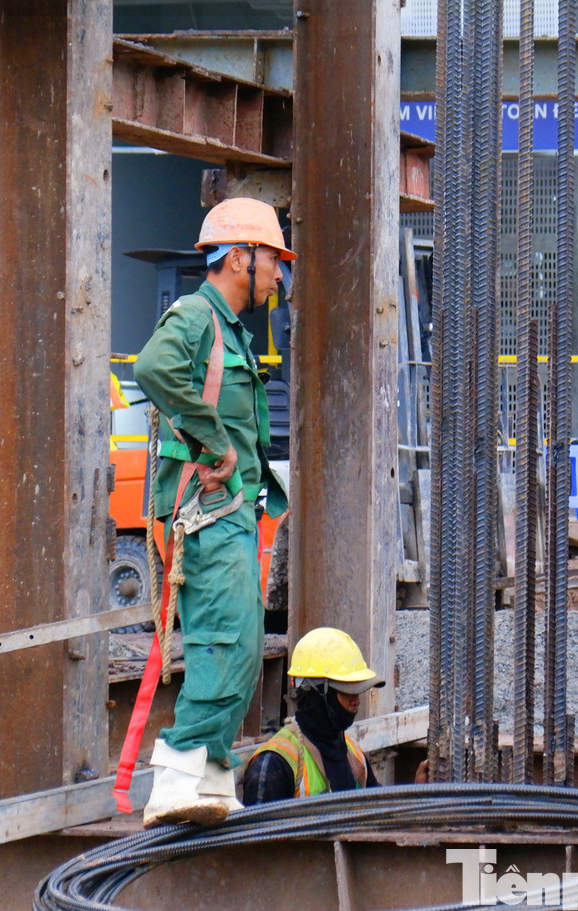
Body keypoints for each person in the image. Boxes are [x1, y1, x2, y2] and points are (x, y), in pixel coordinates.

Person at [134, 197, 295, 827]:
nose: (278, 277)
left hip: (232, 515)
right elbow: (154, 367)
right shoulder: (198, 316)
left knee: (246, 645)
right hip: (205, 515)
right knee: (223, 640)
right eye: (272, 262)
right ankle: (176, 776)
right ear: (238, 258)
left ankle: (212, 778)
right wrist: (215, 439)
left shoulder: (230, 330)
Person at [243, 628, 386, 802]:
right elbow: (259, 828)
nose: (356, 702)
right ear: (315, 692)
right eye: (347, 692)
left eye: (358, 692)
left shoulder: (354, 753)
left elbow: (378, 811)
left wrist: (417, 788)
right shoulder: (274, 764)